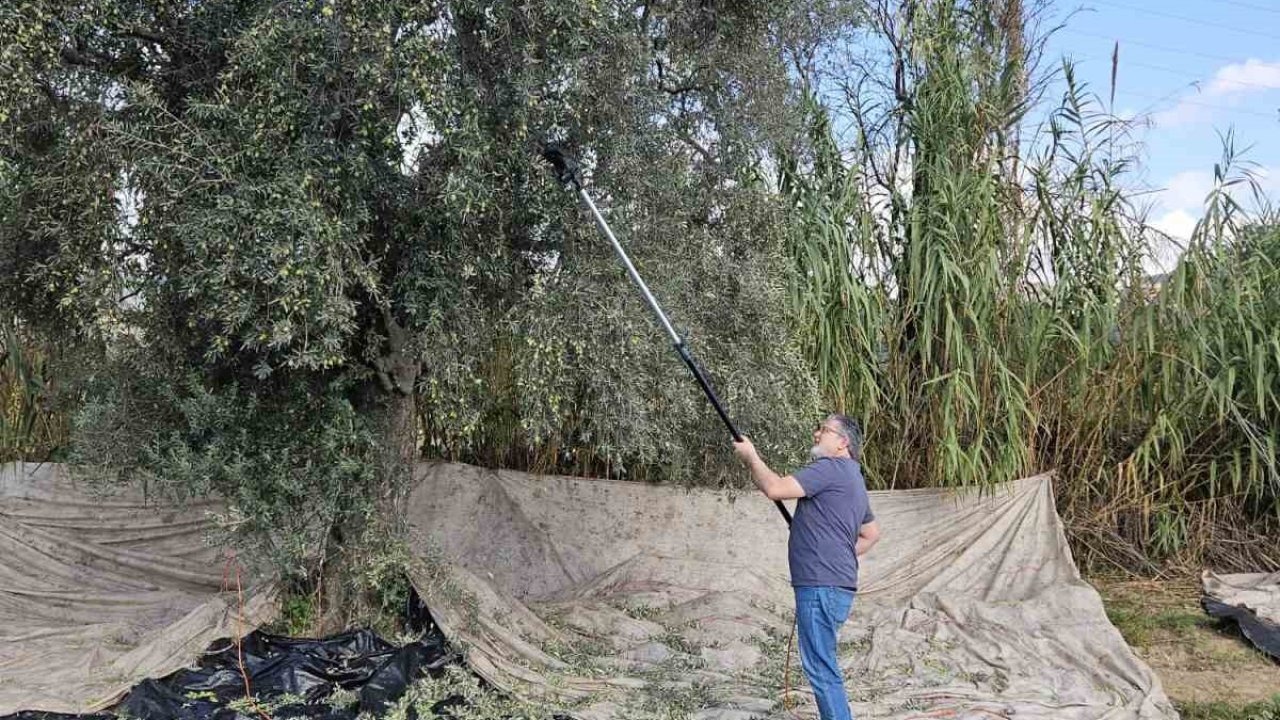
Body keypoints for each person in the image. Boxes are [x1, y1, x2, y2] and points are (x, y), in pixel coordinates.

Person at [732, 414, 880, 720]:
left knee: (821, 667)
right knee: (823, 662)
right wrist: (832, 549)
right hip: (835, 586)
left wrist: (751, 456)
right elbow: (871, 534)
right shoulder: (853, 476)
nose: (816, 434)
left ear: (843, 442)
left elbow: (774, 488)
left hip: (820, 587)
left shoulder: (830, 468)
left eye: (823, 430)